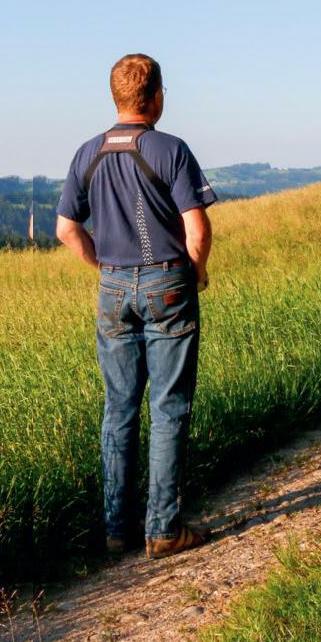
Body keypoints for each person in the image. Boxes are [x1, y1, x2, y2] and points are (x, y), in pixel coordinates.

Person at [56, 53, 217, 557]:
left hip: (113, 287)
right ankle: (164, 529)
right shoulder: (171, 149)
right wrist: (198, 270)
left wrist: (104, 268)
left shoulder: (88, 153)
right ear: (157, 97)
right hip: (167, 281)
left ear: (117, 97)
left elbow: (65, 229)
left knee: (119, 408)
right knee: (167, 408)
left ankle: (117, 530)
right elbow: (197, 226)